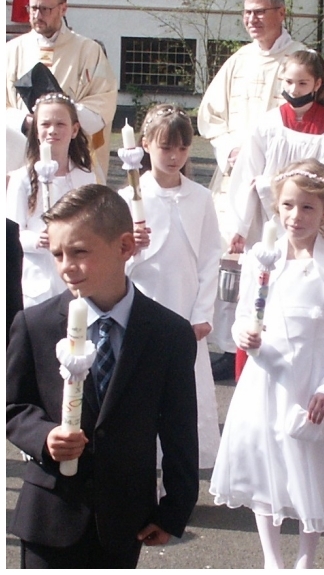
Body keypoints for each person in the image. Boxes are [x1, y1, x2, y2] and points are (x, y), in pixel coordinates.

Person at [6, 184, 199, 568]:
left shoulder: (168, 334)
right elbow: (12, 405)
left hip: (123, 516)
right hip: (50, 512)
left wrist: (174, 508)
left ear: (125, 247)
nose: (66, 266)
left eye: (79, 251)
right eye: (58, 254)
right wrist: (43, 436)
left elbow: (179, 428)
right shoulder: (36, 324)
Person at [210, 159, 324, 569]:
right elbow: (243, 316)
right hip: (268, 374)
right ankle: (272, 558)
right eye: (288, 206)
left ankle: (306, 556)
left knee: (310, 465)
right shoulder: (260, 258)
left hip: (312, 376)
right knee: (265, 459)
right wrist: (243, 336)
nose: (295, 216)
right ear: (276, 206)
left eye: (307, 207)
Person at [198, 0, 307, 373]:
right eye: (247, 12)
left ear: (281, 13)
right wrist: (228, 148)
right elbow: (211, 114)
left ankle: (274, 335)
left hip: (279, 185)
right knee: (230, 259)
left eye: (260, 11)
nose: (252, 19)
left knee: (272, 258)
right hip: (234, 177)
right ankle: (229, 346)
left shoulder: (301, 61)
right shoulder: (239, 61)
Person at [119, 104, 223, 473]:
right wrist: (131, 248)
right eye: (166, 147)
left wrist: (202, 313)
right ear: (145, 145)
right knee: (144, 393)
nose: (175, 156)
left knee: (185, 396)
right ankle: (144, 471)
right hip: (144, 307)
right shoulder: (128, 198)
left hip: (185, 309)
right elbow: (116, 267)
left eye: (182, 148)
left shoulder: (200, 197)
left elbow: (210, 258)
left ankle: (181, 472)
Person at [228, 49, 324, 255]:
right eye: (289, 81)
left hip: (309, 219)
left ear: (317, 84)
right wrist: (240, 226)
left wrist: (267, 183)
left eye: (302, 83)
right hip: (265, 219)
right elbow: (247, 174)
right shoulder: (269, 123)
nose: (294, 90)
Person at [5, 0, 117, 181]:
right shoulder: (10, 51)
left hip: (71, 158)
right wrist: (26, 121)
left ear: (63, 8)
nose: (37, 15)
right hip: (19, 155)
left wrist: (60, 120)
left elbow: (103, 103)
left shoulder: (89, 50)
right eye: (32, 8)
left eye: (45, 9)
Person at [6, 92, 95, 307]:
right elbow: (11, 232)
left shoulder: (86, 177)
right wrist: (37, 240)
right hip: (37, 281)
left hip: (75, 279)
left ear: (74, 130)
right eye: (45, 124)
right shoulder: (22, 179)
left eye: (60, 124)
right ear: (36, 130)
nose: (53, 130)